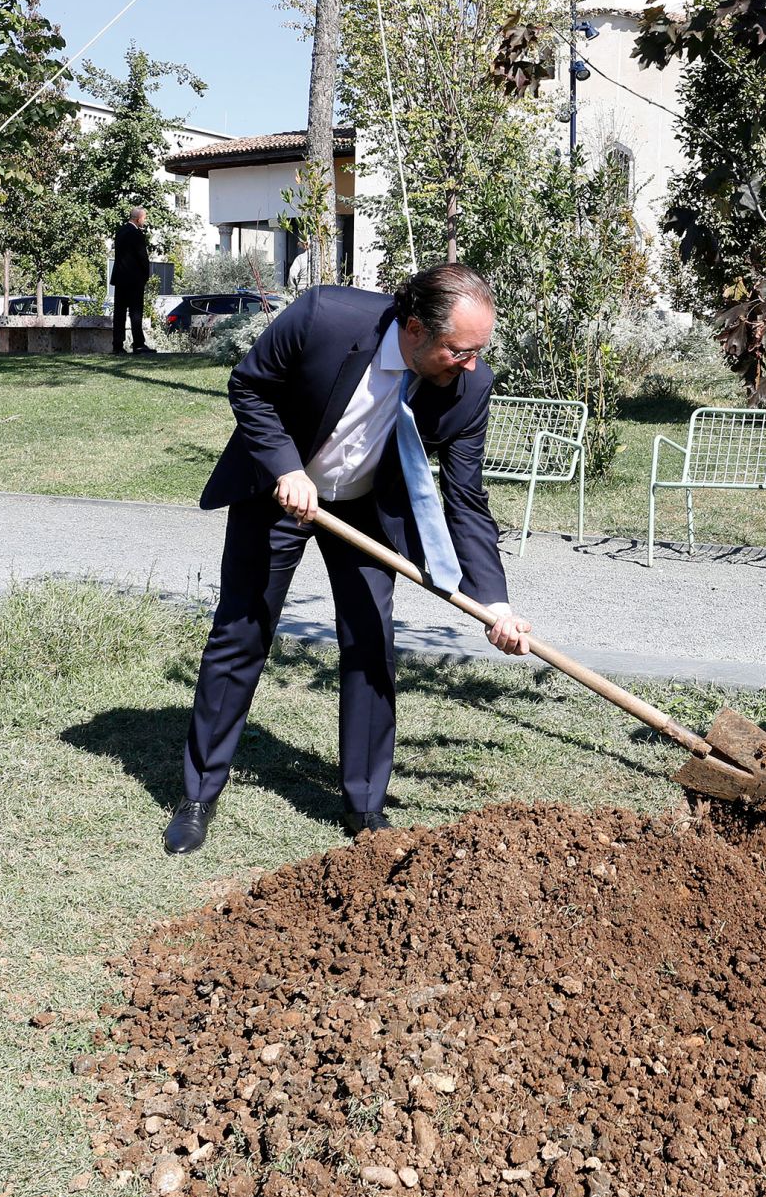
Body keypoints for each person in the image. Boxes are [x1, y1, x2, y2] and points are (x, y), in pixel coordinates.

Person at [163, 262, 533, 855]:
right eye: (459, 350)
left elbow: (466, 499)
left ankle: (365, 808)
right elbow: (250, 386)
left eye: (477, 351)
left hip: (366, 510)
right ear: (415, 328)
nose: (470, 364)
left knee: (369, 642)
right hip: (279, 490)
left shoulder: (469, 388)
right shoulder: (324, 318)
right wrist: (286, 467)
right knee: (242, 632)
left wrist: (496, 604)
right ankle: (198, 795)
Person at [111, 207, 153, 355]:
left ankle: (117, 345)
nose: (144, 221)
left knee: (119, 313)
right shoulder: (136, 233)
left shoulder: (120, 232)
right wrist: (145, 275)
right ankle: (138, 344)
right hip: (134, 279)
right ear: (138, 218)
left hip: (120, 278)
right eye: (144, 218)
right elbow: (142, 257)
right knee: (136, 313)